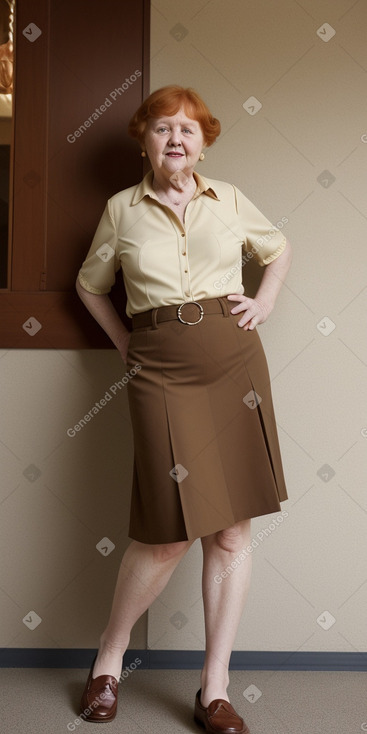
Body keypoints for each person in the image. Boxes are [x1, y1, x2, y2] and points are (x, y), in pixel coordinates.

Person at [76, 85, 292, 734]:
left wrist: (266, 302)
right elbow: (90, 287)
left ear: (204, 142)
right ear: (143, 140)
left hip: (233, 365)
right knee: (166, 534)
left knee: (230, 531)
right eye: (163, 128)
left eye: (189, 130)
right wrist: (126, 346)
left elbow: (276, 250)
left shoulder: (229, 201)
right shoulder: (120, 210)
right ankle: (108, 662)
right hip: (160, 368)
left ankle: (214, 690)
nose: (176, 138)